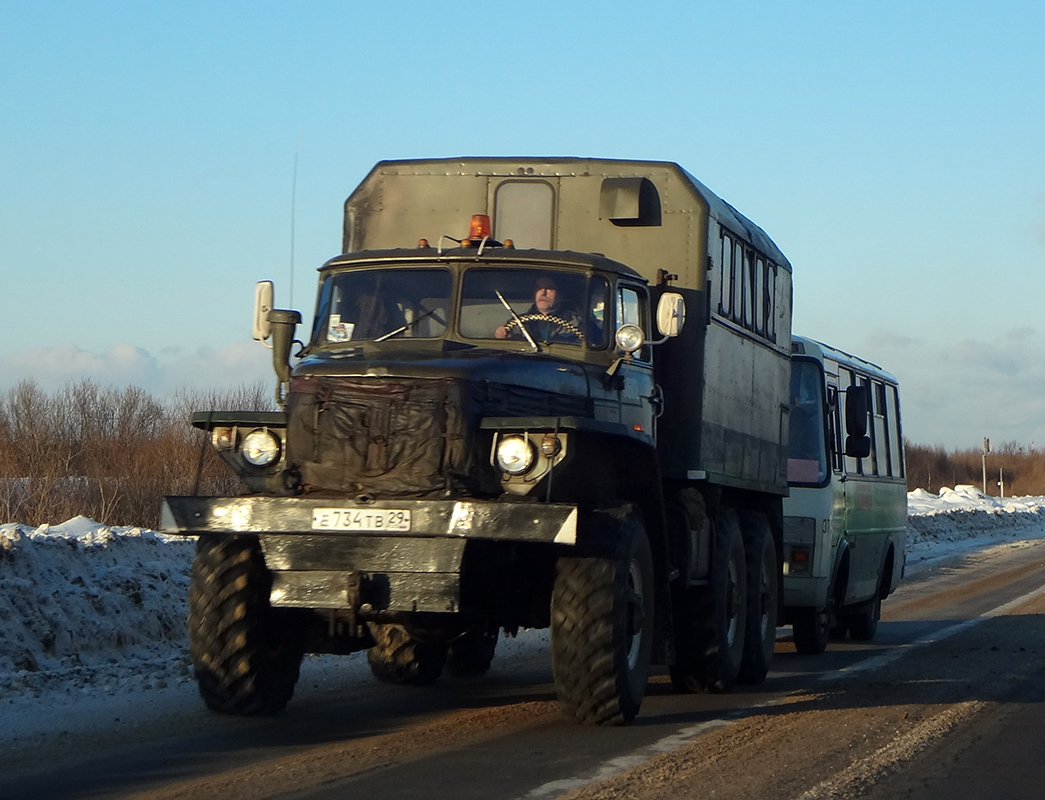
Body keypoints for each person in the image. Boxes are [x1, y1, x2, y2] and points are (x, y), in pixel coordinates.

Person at [495, 275, 583, 343]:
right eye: (538, 288)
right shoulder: (518, 324)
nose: (543, 293)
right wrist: (502, 339)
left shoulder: (576, 323)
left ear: (559, 295)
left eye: (549, 288)